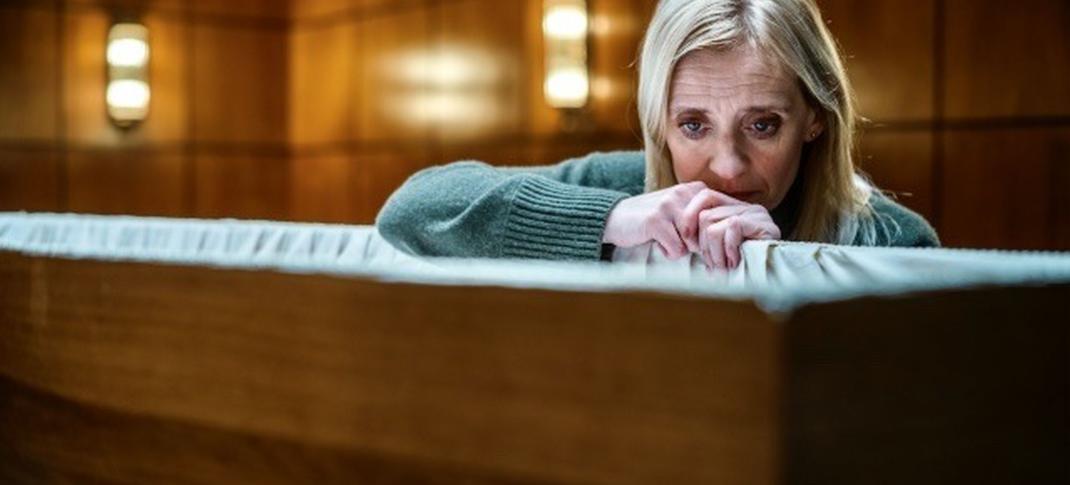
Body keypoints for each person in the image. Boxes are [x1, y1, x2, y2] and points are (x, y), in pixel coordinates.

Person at [376, 0, 939, 269]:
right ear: (659, 124)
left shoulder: (892, 241)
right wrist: (613, 219)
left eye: (762, 125)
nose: (728, 167)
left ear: (815, 117)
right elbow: (413, 209)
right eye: (693, 126)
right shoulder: (627, 186)